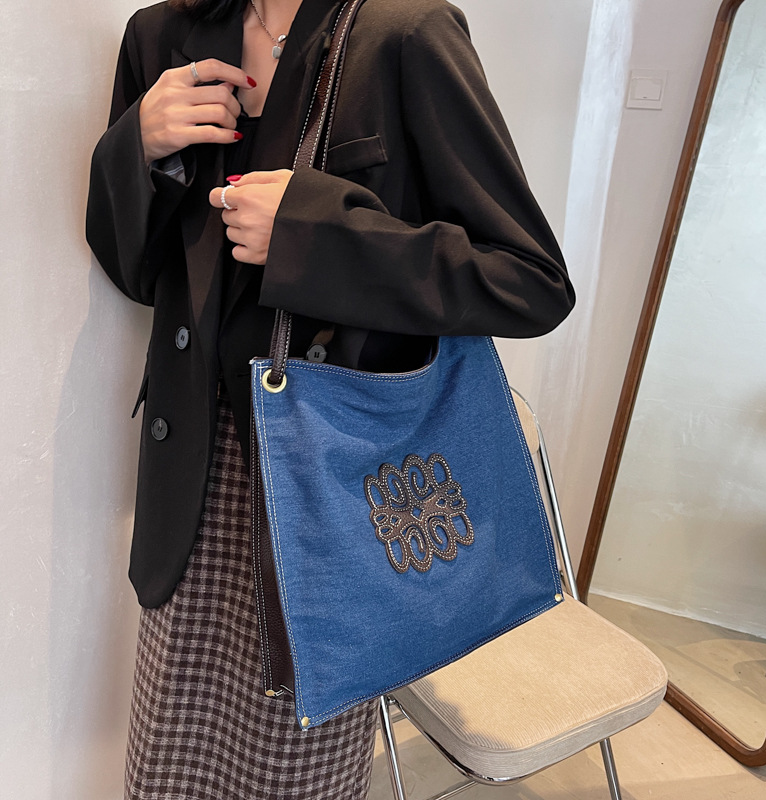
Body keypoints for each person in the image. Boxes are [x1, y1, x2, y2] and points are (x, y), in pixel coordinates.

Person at [86, 0, 575, 796]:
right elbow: (136, 272)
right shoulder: (161, 35)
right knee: (170, 765)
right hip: (196, 483)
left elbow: (528, 281)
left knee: (297, 772)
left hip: (329, 480)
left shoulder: (404, 32)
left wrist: (315, 236)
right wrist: (137, 147)